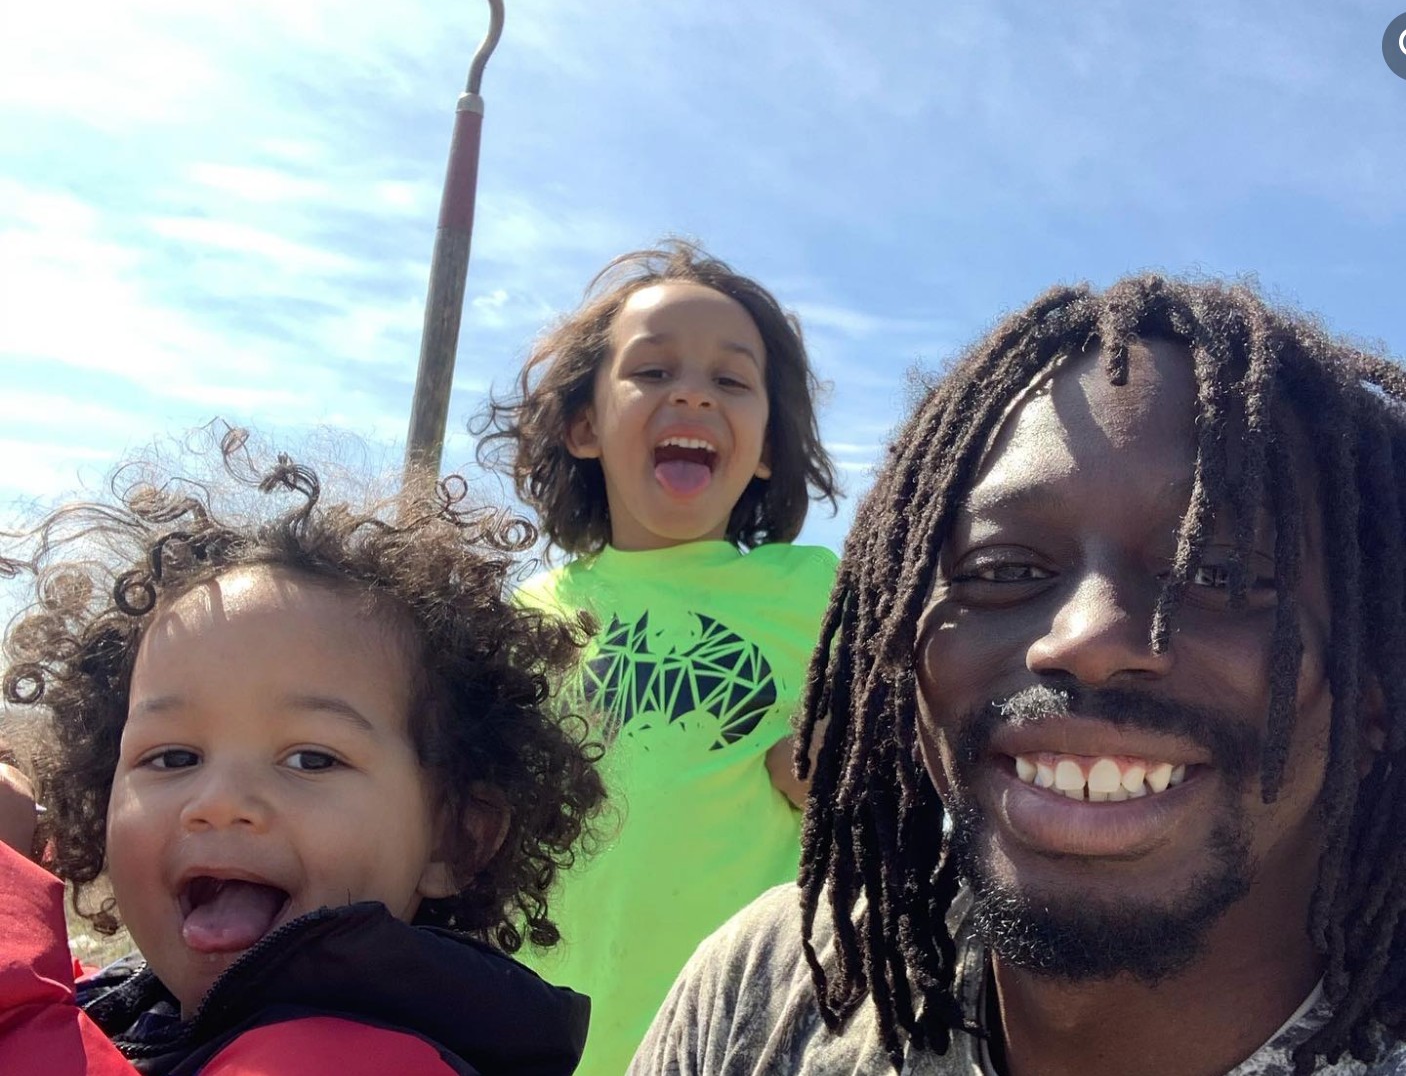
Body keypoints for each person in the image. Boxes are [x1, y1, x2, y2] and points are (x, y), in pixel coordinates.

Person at [627, 275, 1406, 1076]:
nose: (1088, 639)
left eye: (1222, 575)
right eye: (1003, 568)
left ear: (1377, 693)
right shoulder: (772, 983)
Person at [0, 429, 605, 1076]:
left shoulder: (367, 1057)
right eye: (173, 758)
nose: (219, 802)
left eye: (311, 760)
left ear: (453, 837)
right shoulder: (138, 1010)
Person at [478, 240, 841, 1075]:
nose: (690, 392)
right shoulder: (519, 621)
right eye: (652, 371)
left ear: (770, 447)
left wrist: (856, 756)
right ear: (583, 426)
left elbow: (922, 745)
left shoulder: (820, 593)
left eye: (731, 379)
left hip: (746, 1041)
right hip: (536, 1040)